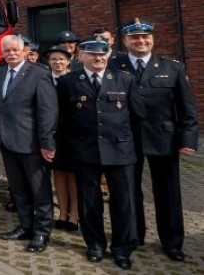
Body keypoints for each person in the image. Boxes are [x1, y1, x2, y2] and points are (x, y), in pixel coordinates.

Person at [109, 18, 198, 263]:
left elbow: (186, 108)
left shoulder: (172, 67)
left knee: (168, 193)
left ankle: (172, 242)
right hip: (126, 139)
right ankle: (132, 237)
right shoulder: (114, 66)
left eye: (145, 37)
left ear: (152, 39)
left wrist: (188, 139)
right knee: (128, 192)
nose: (141, 41)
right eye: (134, 37)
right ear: (125, 41)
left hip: (164, 139)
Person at [56, 39, 142, 269]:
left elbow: (136, 118)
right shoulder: (68, 82)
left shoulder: (125, 79)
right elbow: (62, 120)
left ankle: (123, 248)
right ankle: (94, 244)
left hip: (120, 151)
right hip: (85, 152)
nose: (98, 59)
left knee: (124, 203)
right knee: (89, 202)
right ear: (81, 56)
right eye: (92, 55)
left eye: (103, 55)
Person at [0, 34, 57, 254]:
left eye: (15, 50)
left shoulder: (39, 74)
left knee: (40, 191)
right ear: (2, 53)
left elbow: (47, 112)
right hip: (7, 144)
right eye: (6, 50)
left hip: (32, 145)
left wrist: (47, 143)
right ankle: (26, 226)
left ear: (25, 52)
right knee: (18, 190)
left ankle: (42, 232)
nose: (10, 53)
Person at [47, 45, 79, 233]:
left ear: (68, 61)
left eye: (61, 59)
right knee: (58, 173)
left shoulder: (75, 80)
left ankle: (74, 214)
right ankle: (62, 212)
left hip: (73, 134)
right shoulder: (45, 79)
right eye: (53, 59)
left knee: (73, 175)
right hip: (53, 133)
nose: (57, 62)